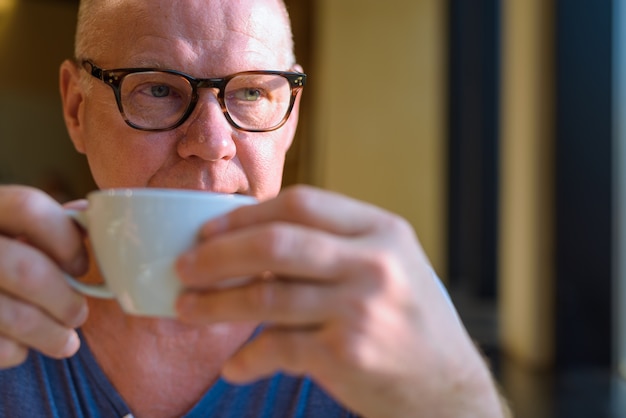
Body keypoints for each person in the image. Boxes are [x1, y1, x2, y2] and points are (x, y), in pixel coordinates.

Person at [0, 0, 510, 417]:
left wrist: (459, 397)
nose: (211, 142)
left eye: (249, 92)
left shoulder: (377, 307)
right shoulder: (13, 303)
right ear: (75, 108)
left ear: (289, 120)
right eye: (156, 88)